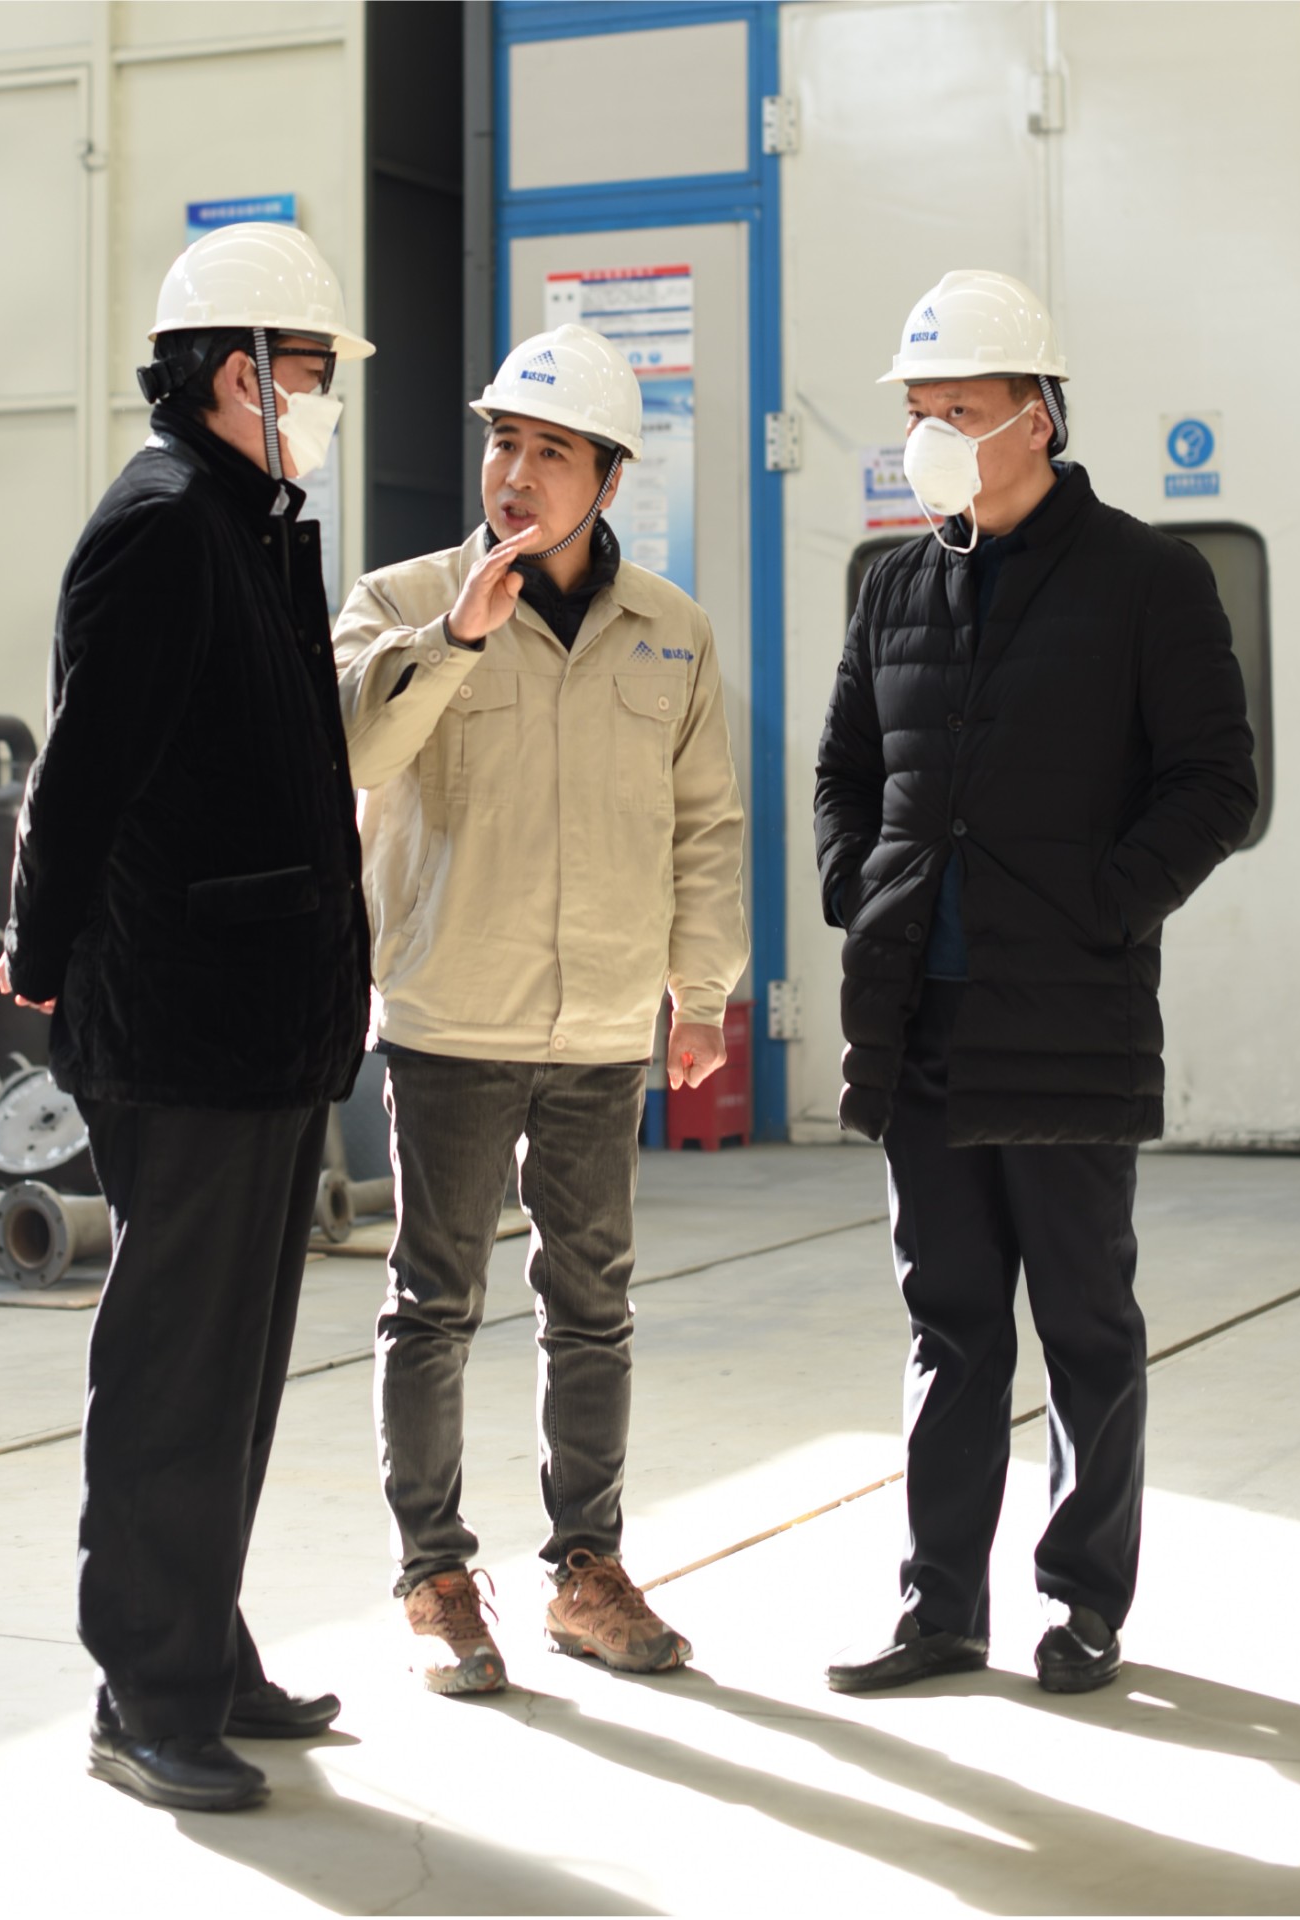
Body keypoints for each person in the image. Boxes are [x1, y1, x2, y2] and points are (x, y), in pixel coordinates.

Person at [813, 270, 1257, 1696]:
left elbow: (1215, 782)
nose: (930, 435)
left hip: (1066, 1018)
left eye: (960, 409)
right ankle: (940, 1609)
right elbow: (844, 771)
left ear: (1039, 417)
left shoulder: (1146, 580)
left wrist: (1105, 908)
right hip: (920, 1021)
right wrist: (859, 889)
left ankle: (1083, 1602)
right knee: (949, 1328)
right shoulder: (897, 584)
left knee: (1083, 1326)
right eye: (918, 410)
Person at [0, 222, 373, 1809]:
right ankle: (144, 1696)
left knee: (236, 1373)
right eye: (313, 370)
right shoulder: (161, 527)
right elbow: (82, 771)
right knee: (175, 1377)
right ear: (238, 373)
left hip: (267, 1023)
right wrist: (39, 950)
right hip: (186, 1025)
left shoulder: (250, 524)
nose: (327, 397)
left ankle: (206, 1649)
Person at [332, 323, 748, 1694]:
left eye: (551, 450)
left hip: (603, 1022)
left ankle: (587, 1571)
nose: (515, 472)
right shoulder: (400, 598)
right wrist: (456, 637)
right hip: (453, 1011)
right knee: (433, 1301)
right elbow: (356, 748)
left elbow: (705, 823)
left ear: (610, 479)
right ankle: (435, 1576)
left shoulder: (672, 633)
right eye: (502, 442)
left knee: (593, 1306)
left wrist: (701, 992)